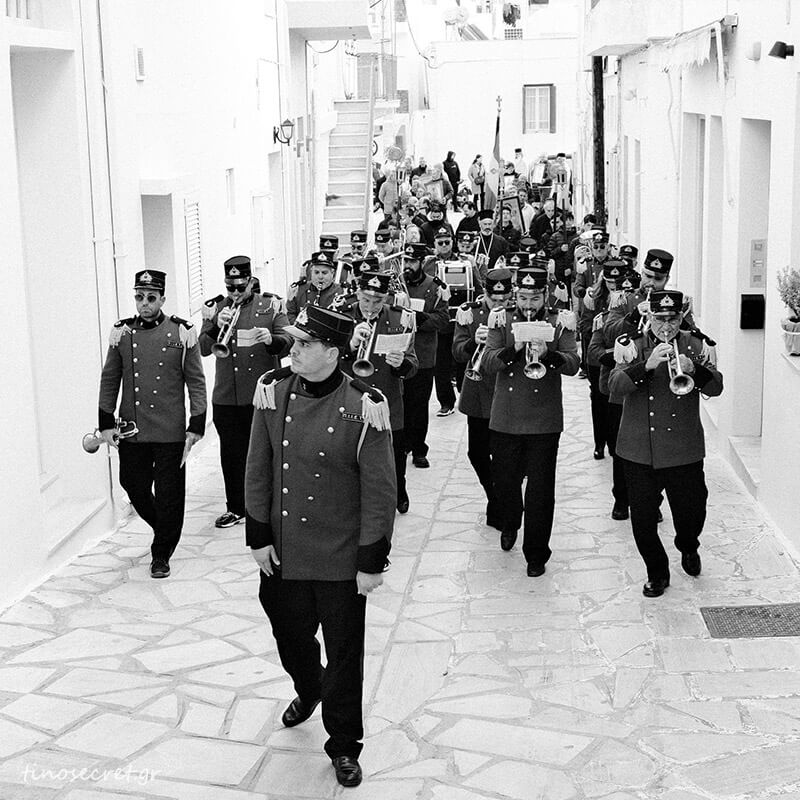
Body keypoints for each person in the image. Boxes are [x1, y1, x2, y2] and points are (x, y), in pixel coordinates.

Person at [246, 305, 395, 788]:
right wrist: (258, 535)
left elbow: (380, 489)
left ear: (333, 352)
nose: (294, 350)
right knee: (289, 637)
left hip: (340, 557)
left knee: (345, 656)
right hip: (285, 551)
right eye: (294, 341)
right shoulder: (273, 392)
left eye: (305, 343)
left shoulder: (364, 404)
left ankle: (344, 744)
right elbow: (258, 466)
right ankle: (310, 687)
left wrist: (371, 559)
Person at [608, 290, 723, 598]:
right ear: (650, 317)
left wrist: (694, 369)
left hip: (683, 448)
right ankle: (656, 572)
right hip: (639, 448)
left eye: (673, 319)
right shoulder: (631, 346)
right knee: (643, 520)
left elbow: (717, 387)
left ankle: (688, 544)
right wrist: (645, 366)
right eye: (660, 319)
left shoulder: (697, 345)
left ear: (681, 317)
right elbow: (613, 385)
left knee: (692, 511)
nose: (667, 327)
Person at [98, 270, 207, 579]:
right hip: (133, 428)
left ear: (162, 299)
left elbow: (196, 381)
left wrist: (196, 423)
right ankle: (166, 529)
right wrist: (105, 422)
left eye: (150, 297)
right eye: (139, 297)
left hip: (170, 430)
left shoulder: (182, 332)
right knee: (132, 485)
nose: (144, 303)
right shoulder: (122, 333)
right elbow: (110, 380)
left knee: (170, 494)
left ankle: (161, 554)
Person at [483, 264, 579, 575]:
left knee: (540, 490)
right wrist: (514, 349)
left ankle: (536, 554)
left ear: (545, 295)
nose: (528, 304)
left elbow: (573, 364)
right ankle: (511, 520)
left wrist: (548, 354)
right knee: (505, 482)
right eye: (523, 298)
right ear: (516, 295)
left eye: (535, 298)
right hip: (507, 416)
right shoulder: (501, 319)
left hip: (544, 419)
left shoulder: (560, 321)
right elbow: (487, 362)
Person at [199, 257, 292, 528]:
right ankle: (236, 507)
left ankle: (269, 505)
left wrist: (271, 339)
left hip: (261, 395)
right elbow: (203, 348)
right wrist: (216, 324)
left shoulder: (271, 305)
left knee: (265, 452)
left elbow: (288, 341)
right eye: (231, 288)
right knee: (231, 454)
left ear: (251, 282)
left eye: (241, 287)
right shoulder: (216, 308)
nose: (236, 293)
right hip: (227, 396)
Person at [340, 271, 418, 513]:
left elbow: (413, 364)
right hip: (349, 397)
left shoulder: (400, 318)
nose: (370, 307)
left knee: (393, 454)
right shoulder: (342, 316)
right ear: (357, 295)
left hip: (387, 398)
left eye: (378, 301)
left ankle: (398, 490)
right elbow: (327, 357)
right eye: (366, 300)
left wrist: (401, 364)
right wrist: (351, 345)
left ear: (386, 299)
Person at [452, 267, 513, 530]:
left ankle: (500, 503)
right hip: (478, 390)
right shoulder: (470, 313)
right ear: (485, 293)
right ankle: (494, 495)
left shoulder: (518, 314)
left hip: (508, 390)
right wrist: (471, 343)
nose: (499, 303)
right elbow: (456, 351)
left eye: (504, 299)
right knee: (476, 452)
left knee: (504, 455)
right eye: (493, 298)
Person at [400, 243, 450, 468]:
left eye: (412, 261)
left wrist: (420, 318)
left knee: (419, 405)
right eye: (406, 261)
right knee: (400, 403)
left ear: (422, 262)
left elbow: (443, 319)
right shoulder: (396, 284)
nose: (408, 265)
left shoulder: (435, 287)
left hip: (423, 354)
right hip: (399, 353)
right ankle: (402, 444)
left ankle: (419, 449)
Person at [286, 251, 342, 323]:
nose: (320, 277)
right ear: (311, 272)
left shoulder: (341, 291)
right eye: (316, 272)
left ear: (332, 273)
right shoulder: (299, 290)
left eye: (324, 273)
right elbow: (289, 314)